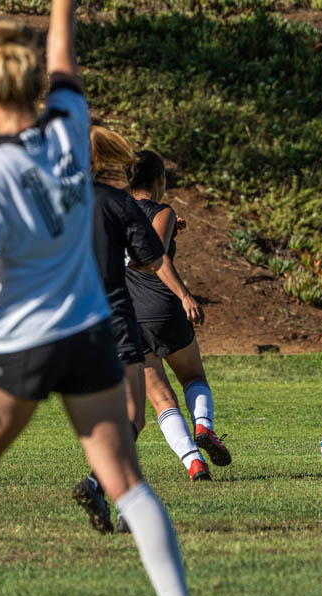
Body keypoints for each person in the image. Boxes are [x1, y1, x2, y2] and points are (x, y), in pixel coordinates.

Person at [0, 2, 203, 596]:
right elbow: (66, 56)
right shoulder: (69, 126)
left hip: (18, 343)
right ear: (38, 87)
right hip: (90, 337)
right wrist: (62, 6)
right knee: (124, 479)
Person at [71, 125, 166, 535]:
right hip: (112, 315)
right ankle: (99, 484)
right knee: (132, 416)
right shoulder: (116, 201)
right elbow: (149, 259)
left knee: (100, 420)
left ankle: (124, 504)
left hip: (68, 323)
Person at [126, 150, 231, 483]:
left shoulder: (111, 211)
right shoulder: (163, 211)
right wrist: (185, 295)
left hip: (125, 315)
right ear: (160, 180)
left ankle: (193, 463)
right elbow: (151, 256)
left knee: (160, 400)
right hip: (160, 307)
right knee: (192, 377)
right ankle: (204, 425)